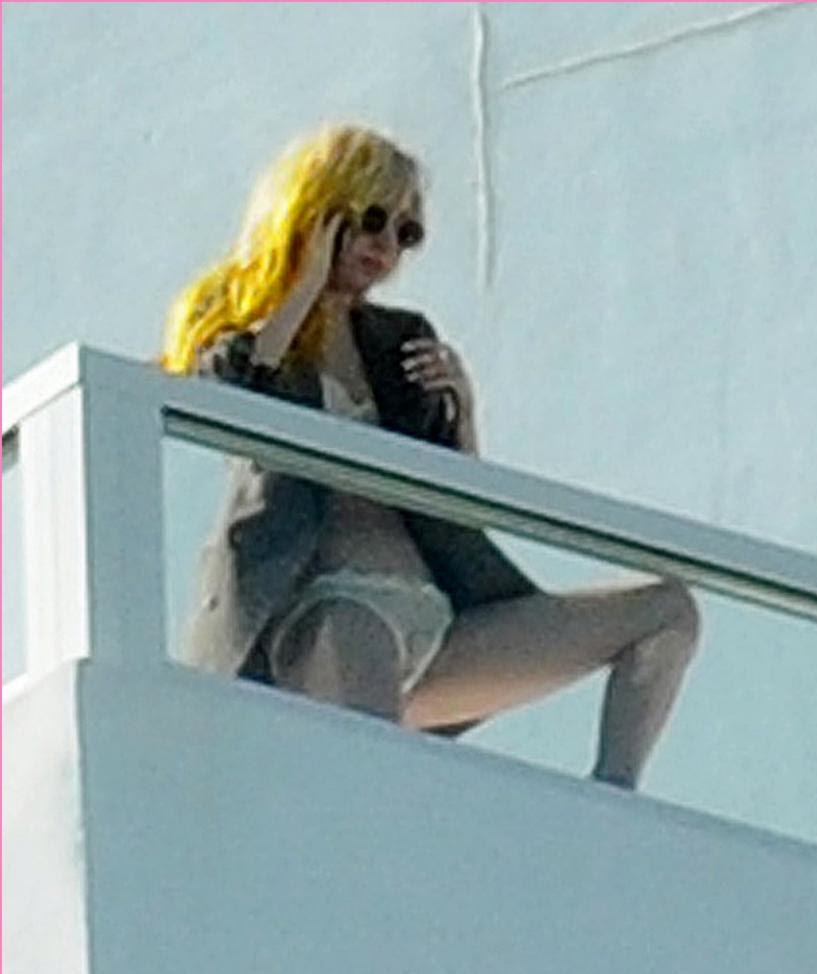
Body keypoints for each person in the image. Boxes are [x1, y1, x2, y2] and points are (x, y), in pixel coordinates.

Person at [161, 124, 699, 790]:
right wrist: (303, 287)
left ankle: (612, 800)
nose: (386, 245)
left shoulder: (399, 340)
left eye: (406, 232)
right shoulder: (242, 335)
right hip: (335, 606)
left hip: (437, 616)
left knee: (666, 611)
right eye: (370, 220)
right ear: (316, 212)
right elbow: (229, 400)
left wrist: (462, 411)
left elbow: (457, 504)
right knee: (375, 794)